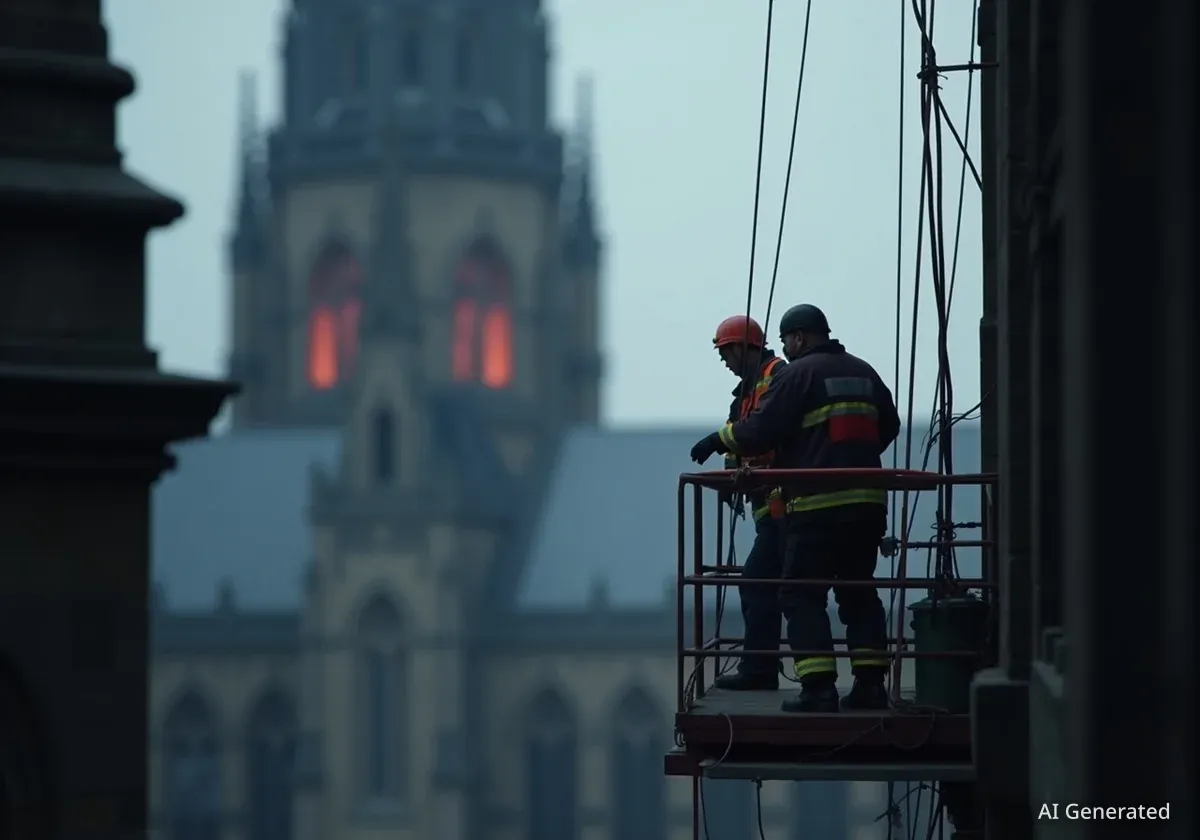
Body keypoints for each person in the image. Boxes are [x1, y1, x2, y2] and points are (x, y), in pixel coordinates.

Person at [689, 304, 901, 713]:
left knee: (801, 593)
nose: (784, 348)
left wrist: (717, 440)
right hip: (868, 504)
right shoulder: (865, 372)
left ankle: (818, 689)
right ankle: (871, 686)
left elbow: (764, 428)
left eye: (786, 340)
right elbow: (888, 426)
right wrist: (851, 456)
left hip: (818, 504)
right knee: (858, 591)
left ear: (799, 337)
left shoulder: (798, 374)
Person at [707, 315, 787, 691]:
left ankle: (759, 670)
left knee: (758, 582)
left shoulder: (778, 377)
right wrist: (730, 478)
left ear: (743, 348)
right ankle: (761, 667)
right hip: (768, 506)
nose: (725, 362)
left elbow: (764, 429)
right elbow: (737, 442)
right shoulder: (743, 396)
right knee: (764, 584)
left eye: (726, 353)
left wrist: (718, 442)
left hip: (786, 504)